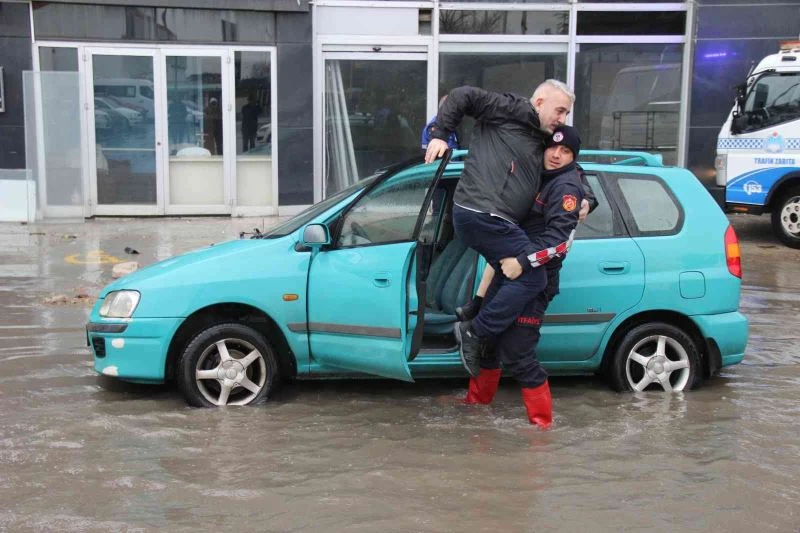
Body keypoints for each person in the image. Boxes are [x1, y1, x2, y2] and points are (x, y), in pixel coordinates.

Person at [424, 80, 574, 378]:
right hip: (484, 212)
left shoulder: (541, 137)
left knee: (509, 272)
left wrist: (588, 200)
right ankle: (474, 331)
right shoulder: (511, 109)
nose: (562, 118)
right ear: (540, 101)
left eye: (566, 113)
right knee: (533, 279)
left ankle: (475, 311)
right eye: (560, 110)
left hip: (493, 219)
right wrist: (440, 134)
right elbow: (462, 95)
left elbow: (569, 167)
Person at [461, 125, 586, 428]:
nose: (556, 155)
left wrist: (522, 262)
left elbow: (558, 243)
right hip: (508, 271)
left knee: (518, 353)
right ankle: (476, 409)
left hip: (533, 280)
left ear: (573, 157)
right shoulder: (536, 175)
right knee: (488, 345)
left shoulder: (566, 188)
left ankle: (541, 428)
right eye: (553, 148)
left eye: (566, 151)